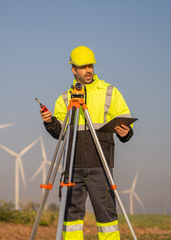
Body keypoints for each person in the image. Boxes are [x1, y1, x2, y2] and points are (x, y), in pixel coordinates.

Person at [40, 46, 134, 240]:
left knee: (107, 217)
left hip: (101, 164)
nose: (88, 70)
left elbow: (125, 121)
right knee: (71, 218)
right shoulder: (65, 98)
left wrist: (126, 132)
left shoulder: (110, 92)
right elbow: (60, 133)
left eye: (90, 66)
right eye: (83, 67)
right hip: (73, 166)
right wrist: (50, 122)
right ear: (73, 70)